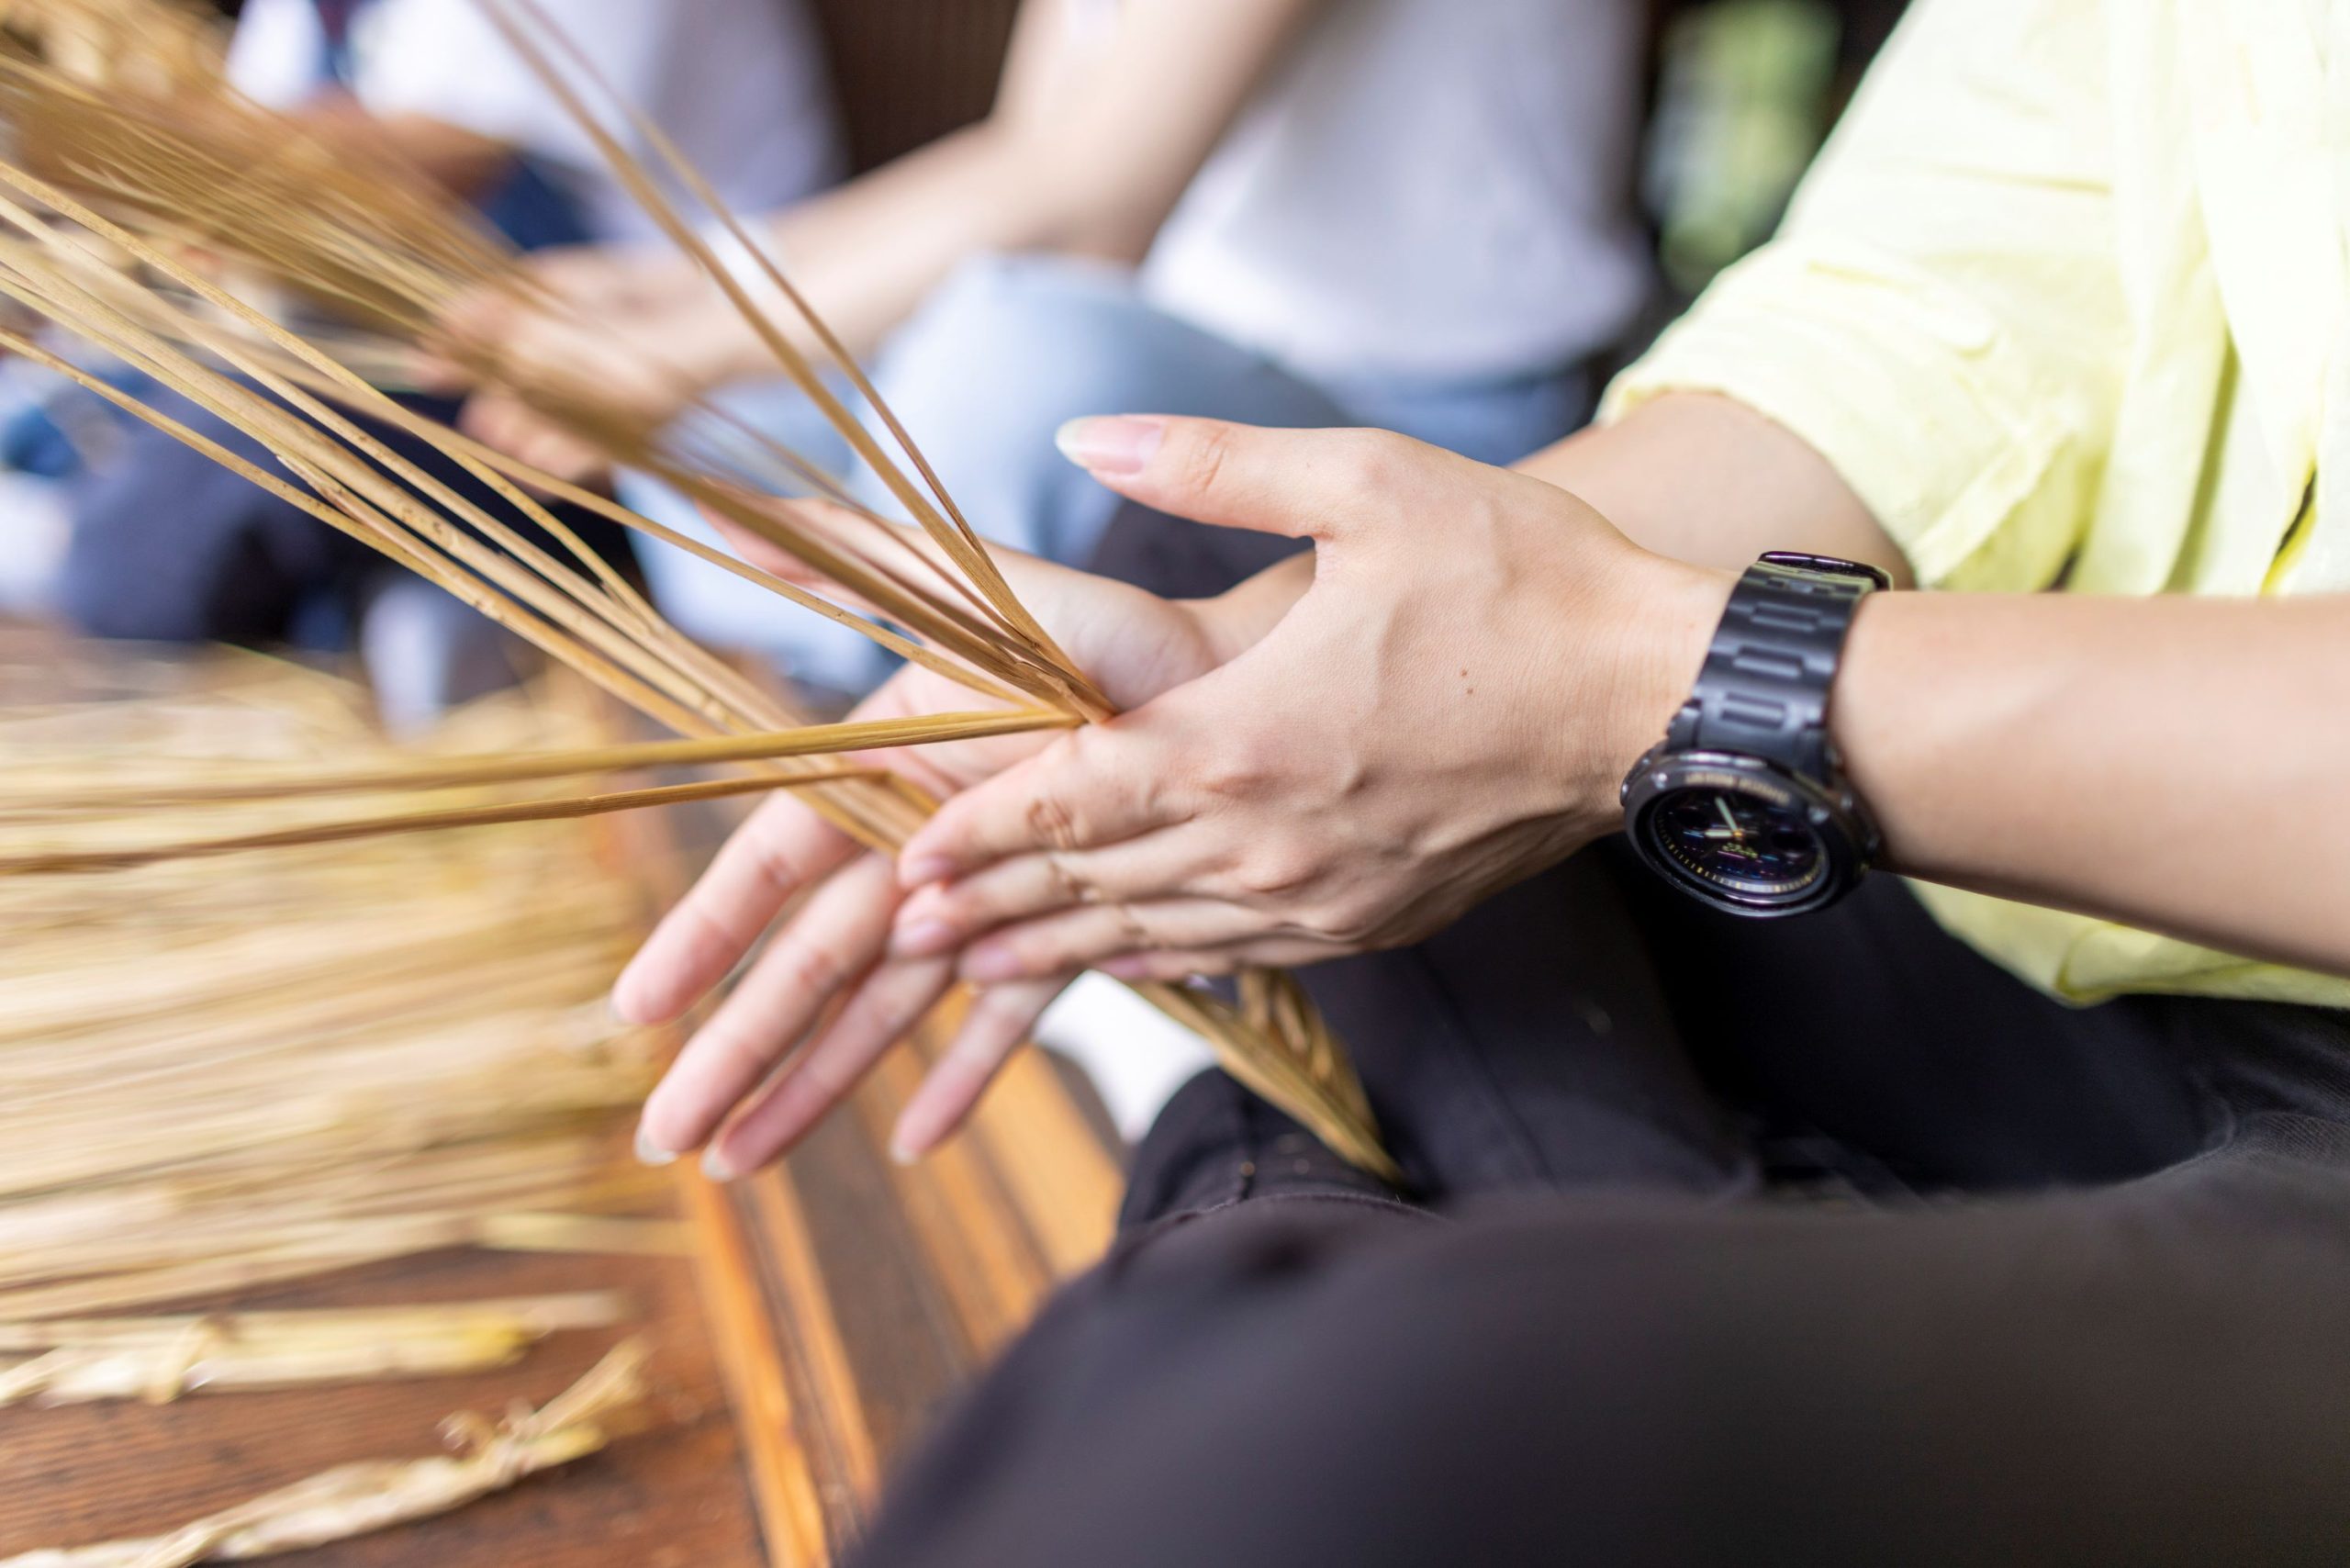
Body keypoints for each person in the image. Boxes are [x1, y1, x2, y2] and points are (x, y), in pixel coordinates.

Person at [611, 0, 2350, 1558]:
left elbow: (1077, 185)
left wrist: (1629, 675)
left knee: (1316, 1424)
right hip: (1994, 899)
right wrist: (1267, 661)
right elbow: (1882, 362)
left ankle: (1426, 1239)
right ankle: (1587, 1263)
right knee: (1195, 640)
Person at [442, 0, 1652, 695]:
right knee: (726, 417)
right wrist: (672, 297)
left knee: (1008, 355)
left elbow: (1084, 199)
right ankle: (887, 659)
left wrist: (691, 336)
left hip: (1428, 419)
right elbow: (1038, 156)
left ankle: (892, 684)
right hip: (1189, 344)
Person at [52, 0, 839, 727]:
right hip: (455, 341)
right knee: (89, 399)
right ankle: (400, 589)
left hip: (666, 400)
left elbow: (415, 164)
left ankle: (450, 588)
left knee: (144, 555)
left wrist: (64, 131)